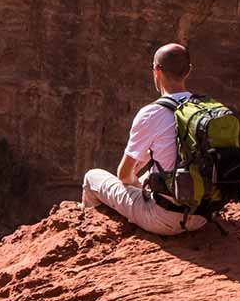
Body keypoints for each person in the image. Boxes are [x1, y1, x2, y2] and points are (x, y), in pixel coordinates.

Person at [81, 43, 209, 235]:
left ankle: (88, 233)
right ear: (188, 71)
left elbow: (124, 175)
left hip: (164, 220)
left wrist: (135, 183)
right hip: (203, 215)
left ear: (156, 70)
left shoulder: (152, 113)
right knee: (151, 173)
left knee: (92, 177)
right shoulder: (205, 109)